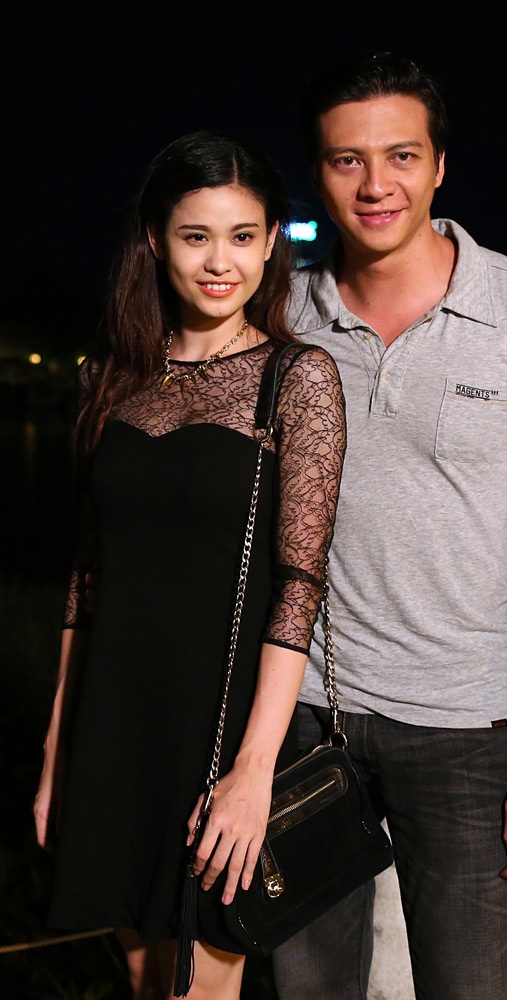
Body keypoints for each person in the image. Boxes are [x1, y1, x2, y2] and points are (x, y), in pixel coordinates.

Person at [271, 52, 507, 1000]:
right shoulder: (280, 310)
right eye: (347, 160)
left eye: (401, 156)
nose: (375, 184)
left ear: (440, 165)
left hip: (464, 729)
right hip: (304, 715)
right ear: (318, 172)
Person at [33, 130, 346, 1000]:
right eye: (195, 236)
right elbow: (87, 580)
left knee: (200, 986)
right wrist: (59, 750)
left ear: (271, 241)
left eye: (242, 237)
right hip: (113, 722)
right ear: (154, 240)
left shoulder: (297, 378)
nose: (220, 262)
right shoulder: (108, 378)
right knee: (141, 980)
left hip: (218, 727)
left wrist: (254, 771)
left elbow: (300, 587)